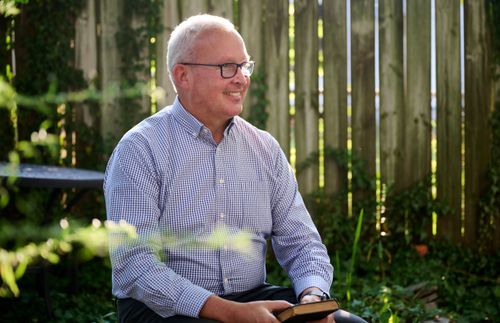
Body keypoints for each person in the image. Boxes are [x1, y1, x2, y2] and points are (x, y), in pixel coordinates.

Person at [104, 14, 366, 323]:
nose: (241, 78)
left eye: (244, 66)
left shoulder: (265, 148)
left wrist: (312, 298)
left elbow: (302, 242)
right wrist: (229, 313)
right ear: (183, 76)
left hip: (252, 299)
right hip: (163, 310)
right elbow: (135, 265)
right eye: (227, 68)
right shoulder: (139, 149)